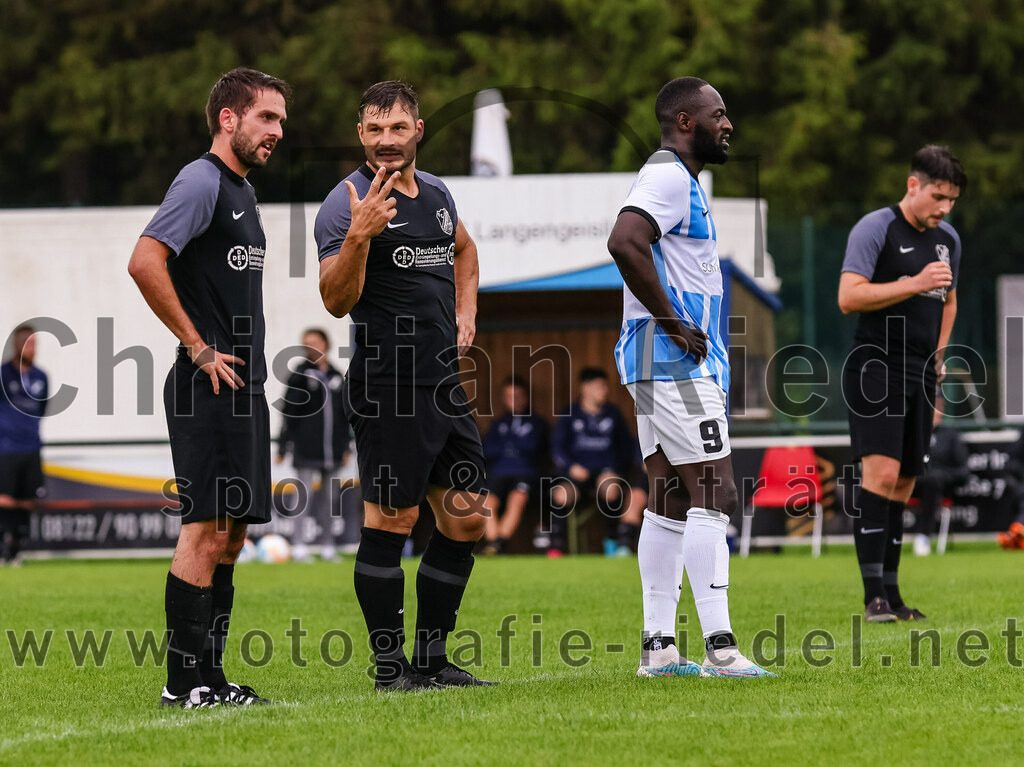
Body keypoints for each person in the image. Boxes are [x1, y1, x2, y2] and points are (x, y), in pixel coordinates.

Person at [316, 80, 493, 691]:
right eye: (373, 130)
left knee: (467, 519)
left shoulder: (440, 194)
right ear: (360, 135)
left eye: (396, 128)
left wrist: (467, 312)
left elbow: (465, 252)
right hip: (387, 384)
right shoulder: (344, 201)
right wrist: (361, 235)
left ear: (418, 129)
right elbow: (335, 301)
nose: (385, 141)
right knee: (393, 520)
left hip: (443, 382)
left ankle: (432, 659)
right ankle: (390, 668)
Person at [128, 67, 289, 708]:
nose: (278, 130)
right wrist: (198, 348)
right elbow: (144, 261)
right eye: (266, 117)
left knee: (232, 533)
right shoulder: (202, 180)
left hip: (242, 385)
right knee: (203, 529)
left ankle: (211, 677)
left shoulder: (243, 192)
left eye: (280, 118)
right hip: (208, 383)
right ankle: (181, 683)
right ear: (229, 118)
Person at [607, 76, 774, 678]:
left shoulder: (684, 182)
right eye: (718, 114)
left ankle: (658, 649)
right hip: (671, 359)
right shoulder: (669, 177)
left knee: (673, 497)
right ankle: (721, 649)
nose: (728, 124)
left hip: (657, 360)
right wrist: (675, 323)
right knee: (718, 490)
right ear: (684, 121)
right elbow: (625, 242)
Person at [838, 145, 966, 622]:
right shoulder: (875, 228)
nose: (944, 208)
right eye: (938, 196)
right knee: (882, 475)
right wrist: (913, 283)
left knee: (906, 480)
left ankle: (893, 596)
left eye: (952, 200)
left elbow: (948, 300)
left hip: (921, 370)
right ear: (913, 185)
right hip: (876, 364)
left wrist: (940, 355)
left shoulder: (948, 238)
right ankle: (872, 597)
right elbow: (848, 297)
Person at [276, 328, 351, 561]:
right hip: (306, 449)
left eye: (315, 341)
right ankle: (299, 545)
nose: (311, 346)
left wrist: (347, 445)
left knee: (330, 500)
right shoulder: (299, 375)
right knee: (303, 497)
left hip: (333, 451)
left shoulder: (337, 375)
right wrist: (282, 445)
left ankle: (328, 546)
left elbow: (345, 415)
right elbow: (289, 413)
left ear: (326, 344)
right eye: (306, 343)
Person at [549, 367, 634, 557]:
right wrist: (572, 467)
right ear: (585, 388)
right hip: (577, 474)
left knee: (611, 487)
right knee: (561, 494)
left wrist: (614, 468)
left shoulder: (613, 413)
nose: (605, 391)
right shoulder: (570, 413)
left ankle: (612, 543)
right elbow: (557, 448)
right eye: (600, 386)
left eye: (605, 387)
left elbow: (626, 448)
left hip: (605, 473)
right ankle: (556, 547)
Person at [480, 375, 549, 555]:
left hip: (524, 473)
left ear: (526, 397)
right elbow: (488, 450)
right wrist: (516, 444)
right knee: (487, 503)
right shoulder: (498, 424)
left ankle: (497, 544)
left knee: (517, 498)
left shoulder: (537, 422)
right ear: (504, 399)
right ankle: (496, 543)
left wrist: (509, 445)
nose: (514, 400)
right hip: (498, 473)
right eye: (510, 396)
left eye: (518, 395)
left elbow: (533, 447)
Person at [0, 325, 48, 566]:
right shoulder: (3, 374)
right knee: (5, 497)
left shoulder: (41, 376)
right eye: (28, 344)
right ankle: (5, 547)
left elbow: (42, 409)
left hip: (31, 447)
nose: (32, 349)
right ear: (17, 345)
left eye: (34, 344)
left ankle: (17, 546)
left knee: (28, 499)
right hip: (6, 448)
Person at [913, 396, 969, 556]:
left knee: (933, 480)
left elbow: (963, 470)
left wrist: (942, 475)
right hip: (913, 482)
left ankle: (923, 535)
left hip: (939, 486)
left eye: (937, 405)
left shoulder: (950, 435)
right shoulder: (914, 433)